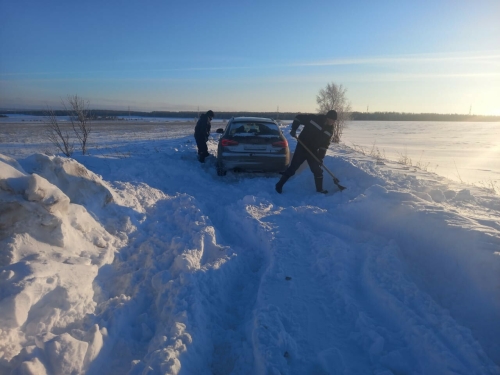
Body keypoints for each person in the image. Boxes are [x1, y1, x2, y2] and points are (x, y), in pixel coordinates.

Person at [275, 110, 337, 194]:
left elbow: (325, 145)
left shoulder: (330, 130)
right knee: (293, 168)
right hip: (302, 147)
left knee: (317, 170)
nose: (333, 122)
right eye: (332, 120)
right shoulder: (314, 119)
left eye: (334, 121)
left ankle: (319, 190)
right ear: (328, 118)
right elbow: (298, 118)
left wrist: (320, 157)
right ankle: (279, 185)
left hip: (313, 151)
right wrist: (294, 129)